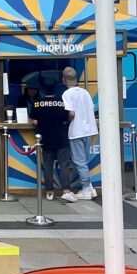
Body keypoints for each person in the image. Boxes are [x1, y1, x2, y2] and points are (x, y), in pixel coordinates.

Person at [25, 70, 70, 199]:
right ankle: (66, 190)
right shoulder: (62, 103)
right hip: (62, 138)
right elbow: (68, 118)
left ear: (42, 89)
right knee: (64, 165)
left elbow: (34, 121)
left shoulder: (37, 104)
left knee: (48, 166)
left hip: (45, 138)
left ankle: (49, 191)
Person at [61, 68, 97, 200]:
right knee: (84, 161)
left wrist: (69, 121)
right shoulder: (85, 92)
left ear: (64, 80)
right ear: (76, 79)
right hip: (89, 130)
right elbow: (92, 109)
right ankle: (90, 187)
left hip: (76, 131)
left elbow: (71, 113)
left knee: (79, 161)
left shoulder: (67, 94)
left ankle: (86, 189)